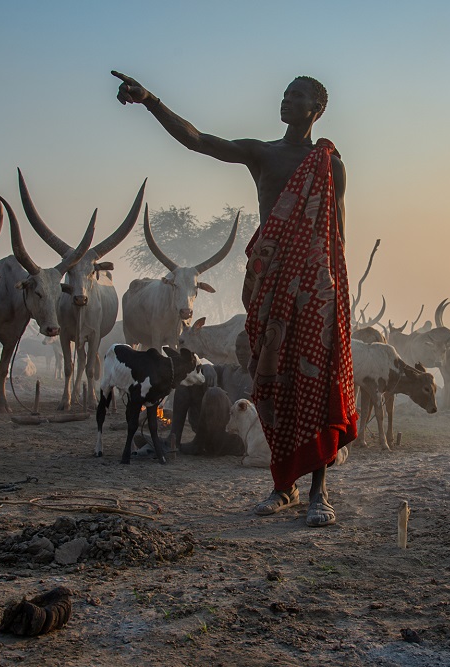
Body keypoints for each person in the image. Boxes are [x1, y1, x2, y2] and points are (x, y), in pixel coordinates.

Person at [113, 70, 358, 527]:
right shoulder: (262, 154)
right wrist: (150, 100)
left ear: (317, 110)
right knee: (271, 383)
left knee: (314, 383)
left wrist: (338, 297)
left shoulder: (330, 165)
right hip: (271, 285)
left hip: (315, 289)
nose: (286, 101)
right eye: (284, 93)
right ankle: (283, 488)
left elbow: (336, 238)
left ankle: (318, 492)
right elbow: (198, 140)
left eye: (298, 96)